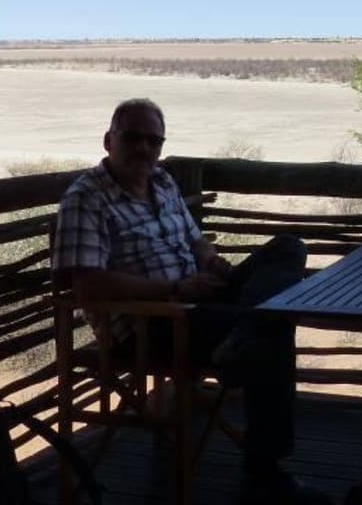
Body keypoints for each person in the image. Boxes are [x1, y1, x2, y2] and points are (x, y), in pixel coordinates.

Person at [53, 98, 329, 505]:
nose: (144, 148)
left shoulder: (162, 182)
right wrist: (175, 291)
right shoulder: (86, 199)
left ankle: (246, 330)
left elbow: (195, 240)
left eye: (154, 141)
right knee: (271, 333)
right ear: (109, 140)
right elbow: (89, 286)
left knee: (288, 248)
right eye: (132, 138)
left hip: (199, 301)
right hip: (154, 323)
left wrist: (212, 263)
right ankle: (264, 473)